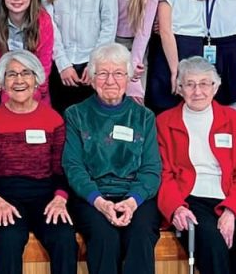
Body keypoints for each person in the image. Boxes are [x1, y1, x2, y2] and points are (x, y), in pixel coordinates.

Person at [156, 57, 236, 274]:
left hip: (230, 196)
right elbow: (163, 173)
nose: (198, 91)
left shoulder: (233, 119)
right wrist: (176, 206)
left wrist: (231, 211)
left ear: (215, 87)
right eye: (190, 84)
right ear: (179, 88)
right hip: (190, 199)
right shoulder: (164, 121)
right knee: (212, 248)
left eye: (204, 83)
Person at [61, 43, 161, 274]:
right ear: (92, 78)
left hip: (136, 196)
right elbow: (73, 167)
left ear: (128, 78)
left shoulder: (144, 117)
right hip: (92, 197)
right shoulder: (75, 114)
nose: (110, 80)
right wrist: (100, 201)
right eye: (102, 73)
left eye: (118, 73)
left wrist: (132, 201)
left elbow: (151, 169)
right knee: (105, 238)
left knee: (141, 235)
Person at [0, 49, 77, 274]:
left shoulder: (53, 119)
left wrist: (61, 198)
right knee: (9, 239)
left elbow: (62, 170)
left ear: (37, 80)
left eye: (26, 73)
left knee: (64, 237)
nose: (19, 80)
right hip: (5, 198)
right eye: (11, 74)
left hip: (46, 197)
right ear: (3, 83)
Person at [146, 0, 208, 113]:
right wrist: (176, 70)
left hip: (196, 47)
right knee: (167, 104)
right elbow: (165, 31)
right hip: (171, 50)